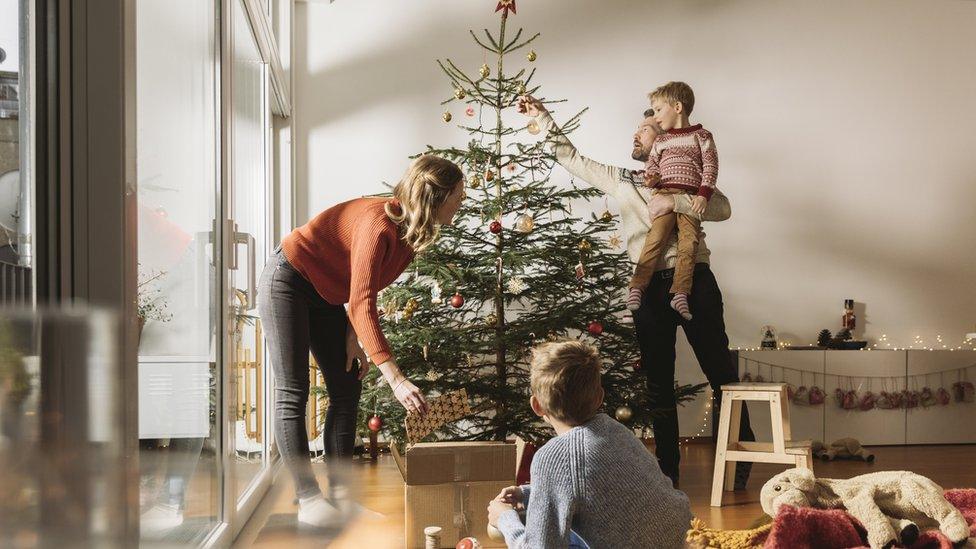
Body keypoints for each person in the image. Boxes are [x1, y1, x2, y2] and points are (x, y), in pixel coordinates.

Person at [518, 95, 754, 488]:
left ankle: (740, 466)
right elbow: (573, 159)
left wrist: (676, 199)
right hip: (647, 289)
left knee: (721, 373)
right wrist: (542, 118)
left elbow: (723, 208)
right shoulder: (622, 178)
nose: (636, 135)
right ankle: (668, 475)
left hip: (694, 279)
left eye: (644, 130)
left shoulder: (695, 182)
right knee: (658, 382)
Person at [257, 155, 466, 527]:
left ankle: (341, 497)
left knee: (346, 384)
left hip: (325, 296)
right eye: (459, 196)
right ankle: (307, 499)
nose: (462, 203)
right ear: (438, 195)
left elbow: (362, 288)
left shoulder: (410, 235)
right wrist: (397, 380)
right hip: (288, 279)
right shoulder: (379, 223)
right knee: (293, 390)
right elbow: (361, 301)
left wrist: (353, 337)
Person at [487, 340, 692, 549]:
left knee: (541, 531)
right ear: (600, 397)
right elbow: (599, 488)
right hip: (681, 537)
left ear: (536, 406)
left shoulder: (552, 456)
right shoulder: (616, 429)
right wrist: (530, 492)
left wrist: (505, 519)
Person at [630, 81, 718, 320]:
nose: (656, 117)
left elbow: (710, 166)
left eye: (658, 110)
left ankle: (680, 293)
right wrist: (652, 181)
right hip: (665, 193)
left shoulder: (701, 136)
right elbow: (653, 167)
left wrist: (703, 195)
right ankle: (637, 287)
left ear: (677, 107)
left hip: (689, 198)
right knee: (655, 238)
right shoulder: (661, 142)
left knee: (689, 243)